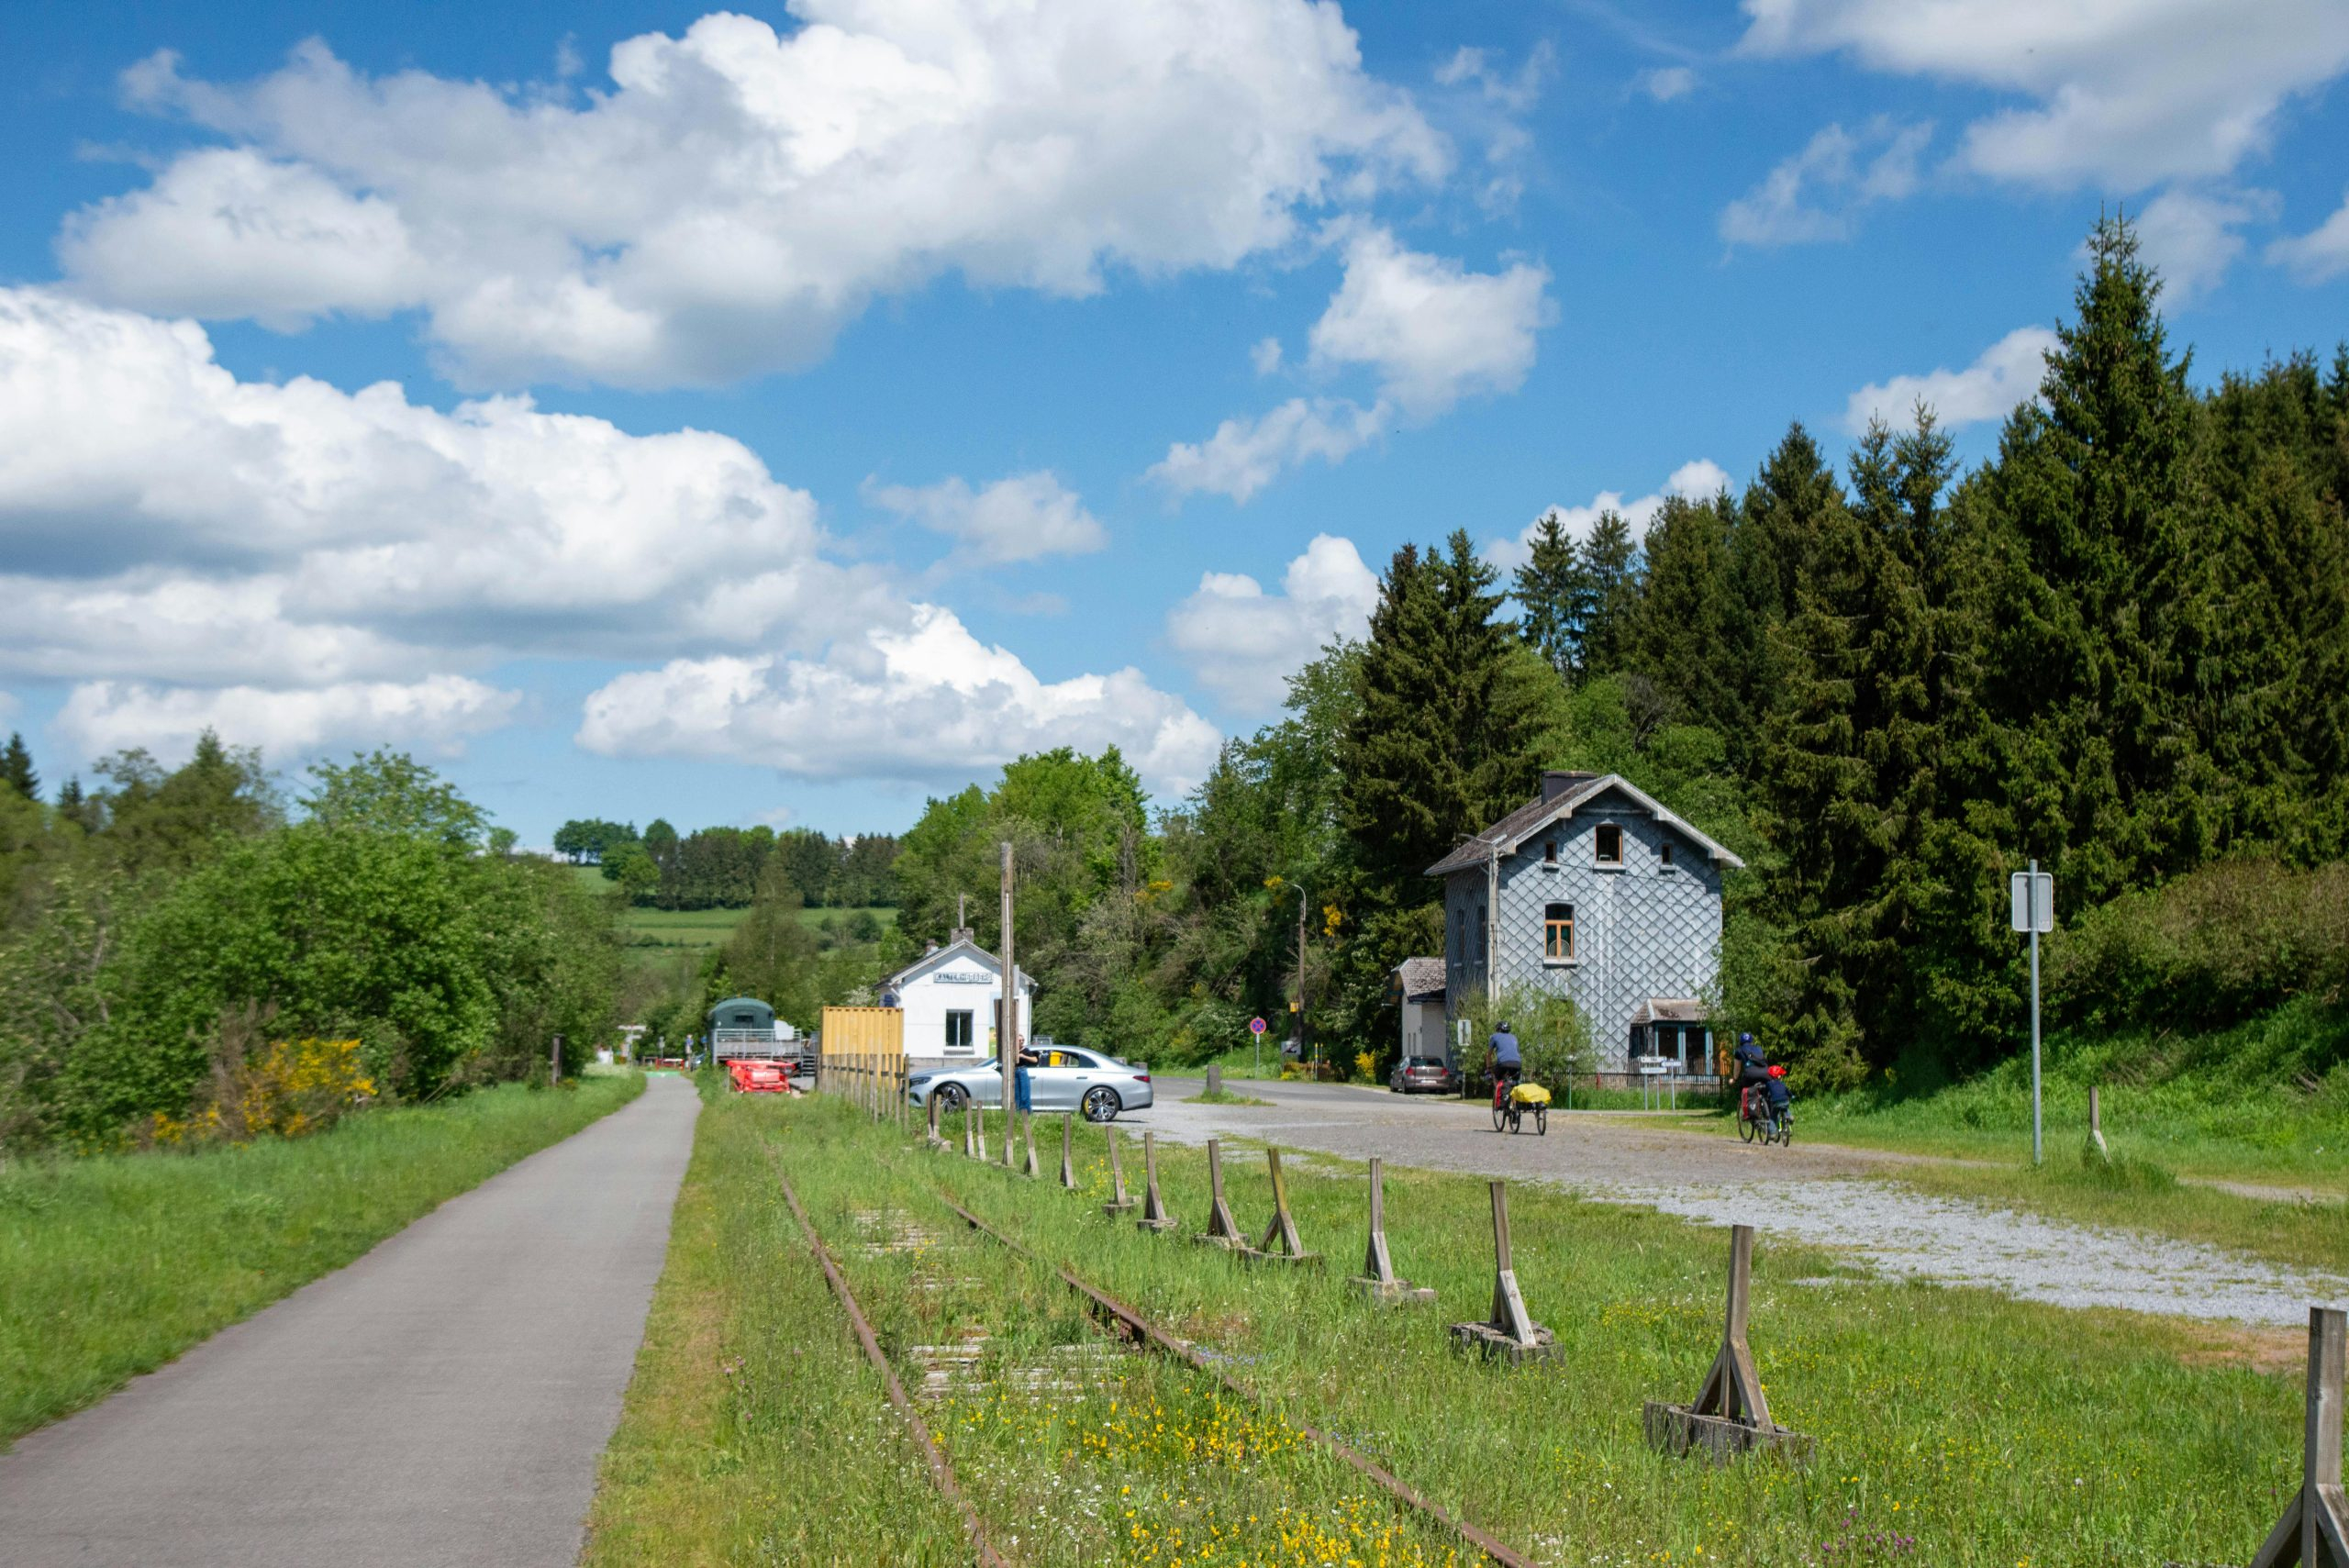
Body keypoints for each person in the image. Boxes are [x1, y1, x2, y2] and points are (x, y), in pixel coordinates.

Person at [1488, 1021, 1523, 1106]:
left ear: (1498, 1029)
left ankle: (1499, 1097)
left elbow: (1489, 1054)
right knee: (1515, 1083)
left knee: (1494, 1075)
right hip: (1517, 1064)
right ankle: (1515, 1106)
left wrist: (1489, 1067)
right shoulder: (1514, 1037)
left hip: (1503, 1064)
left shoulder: (1494, 1036)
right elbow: (1517, 1052)